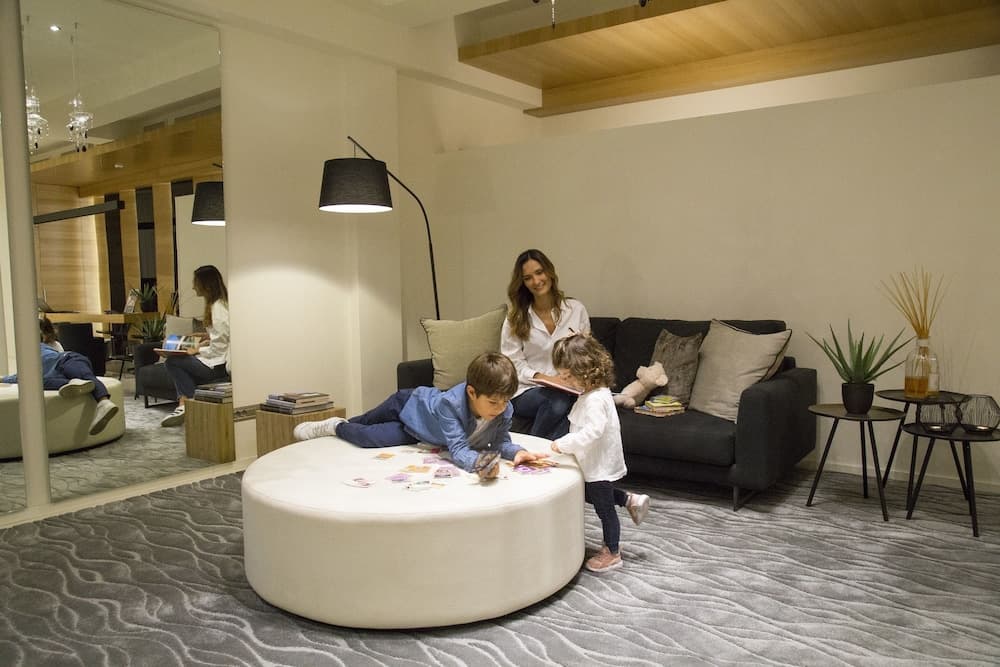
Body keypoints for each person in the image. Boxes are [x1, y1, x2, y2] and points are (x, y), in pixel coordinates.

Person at [292, 352, 548, 480]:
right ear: (471, 392)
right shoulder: (451, 405)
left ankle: (338, 427)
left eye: (505, 401)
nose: (501, 408)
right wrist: (481, 464)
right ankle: (335, 426)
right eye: (493, 402)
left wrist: (517, 452)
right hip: (407, 403)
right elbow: (459, 450)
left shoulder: (504, 409)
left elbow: (500, 442)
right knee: (364, 421)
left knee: (369, 438)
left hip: (419, 431)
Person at [549, 333, 650, 574]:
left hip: (599, 466)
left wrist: (563, 444)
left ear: (585, 370)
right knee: (589, 494)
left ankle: (612, 552)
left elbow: (592, 431)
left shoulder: (595, 400)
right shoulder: (595, 393)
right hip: (595, 462)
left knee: (604, 510)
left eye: (568, 376)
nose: (564, 381)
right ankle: (628, 500)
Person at [501, 248, 590, 439]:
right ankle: (532, 447)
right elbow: (512, 364)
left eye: (539, 272)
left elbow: (586, 355)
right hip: (526, 390)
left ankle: (540, 452)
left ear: (549, 272)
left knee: (575, 412)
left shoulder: (576, 310)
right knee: (558, 402)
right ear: (523, 283)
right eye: (528, 278)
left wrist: (571, 379)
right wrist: (545, 378)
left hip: (569, 388)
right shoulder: (515, 318)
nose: (536, 281)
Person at [1, 317, 119, 435]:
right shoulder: (29, 355)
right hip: (58, 374)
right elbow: (21, 377)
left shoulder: (47, 346)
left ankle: (103, 402)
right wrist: (3, 378)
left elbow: (21, 375)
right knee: (36, 382)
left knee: (85, 376)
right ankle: (74, 382)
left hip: (67, 360)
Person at [160, 265, 230, 427]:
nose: (193, 287)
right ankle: (186, 403)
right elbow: (222, 336)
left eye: (195, 282)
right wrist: (205, 337)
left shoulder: (218, 308)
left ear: (206, 285)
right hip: (215, 361)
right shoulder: (219, 304)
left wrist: (196, 350)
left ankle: (187, 404)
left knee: (173, 362)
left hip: (217, 366)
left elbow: (220, 345)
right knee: (177, 359)